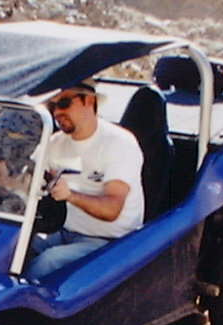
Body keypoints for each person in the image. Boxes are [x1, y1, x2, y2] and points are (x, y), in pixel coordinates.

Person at [26, 81, 145, 280]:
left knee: (49, 261)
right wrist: (2, 175)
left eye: (64, 103)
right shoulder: (55, 142)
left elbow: (112, 209)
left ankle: (17, 298)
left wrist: (70, 195)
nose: (57, 112)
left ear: (89, 101)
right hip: (63, 231)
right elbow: (26, 178)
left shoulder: (119, 143)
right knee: (13, 244)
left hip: (110, 242)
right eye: (52, 106)